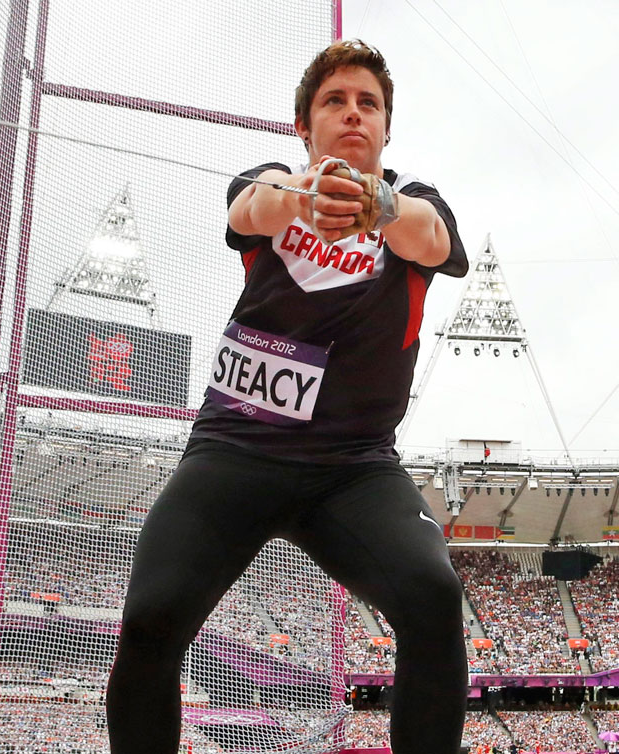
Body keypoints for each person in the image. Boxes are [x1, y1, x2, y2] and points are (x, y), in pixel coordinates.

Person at [106, 39, 469, 754]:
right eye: (335, 101)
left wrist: (376, 203)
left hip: (354, 470)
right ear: (305, 125)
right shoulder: (275, 181)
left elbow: (431, 239)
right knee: (150, 618)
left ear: (386, 128)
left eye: (368, 103)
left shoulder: (414, 203)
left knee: (433, 598)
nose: (354, 113)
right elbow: (253, 208)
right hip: (236, 452)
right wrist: (306, 195)